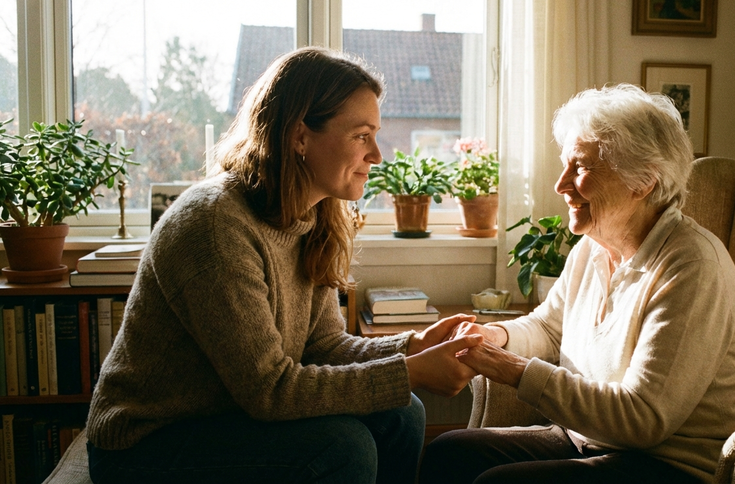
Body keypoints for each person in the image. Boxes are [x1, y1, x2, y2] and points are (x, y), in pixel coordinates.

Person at [84, 46, 483, 484]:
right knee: (343, 446)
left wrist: (413, 346)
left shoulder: (315, 217)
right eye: (361, 136)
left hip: (227, 417)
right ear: (300, 137)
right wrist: (410, 371)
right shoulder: (215, 225)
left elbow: (324, 347)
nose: (377, 156)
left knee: (402, 412)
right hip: (147, 444)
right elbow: (270, 391)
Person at [419, 84, 735, 484]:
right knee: (448, 455)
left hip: (672, 464)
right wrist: (494, 336)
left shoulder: (692, 265)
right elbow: (548, 327)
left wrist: (511, 369)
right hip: (591, 443)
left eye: (579, 168)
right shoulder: (593, 246)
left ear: (642, 182)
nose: (560, 185)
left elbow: (642, 419)